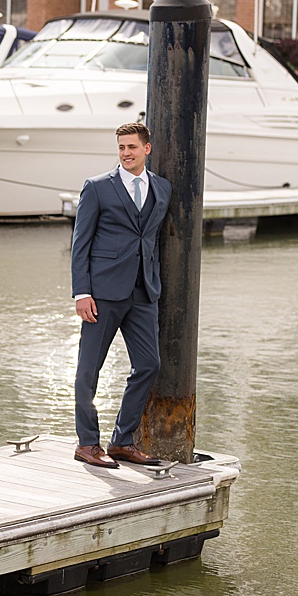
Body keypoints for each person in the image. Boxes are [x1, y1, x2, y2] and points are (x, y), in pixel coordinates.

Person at [70, 121, 168, 469]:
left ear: (147, 148)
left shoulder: (162, 188)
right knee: (88, 370)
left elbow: (151, 239)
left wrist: (152, 280)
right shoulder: (97, 188)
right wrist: (82, 292)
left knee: (148, 364)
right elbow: (80, 244)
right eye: (121, 148)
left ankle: (122, 441)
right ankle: (87, 443)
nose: (126, 153)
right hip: (103, 293)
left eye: (132, 147)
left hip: (143, 292)